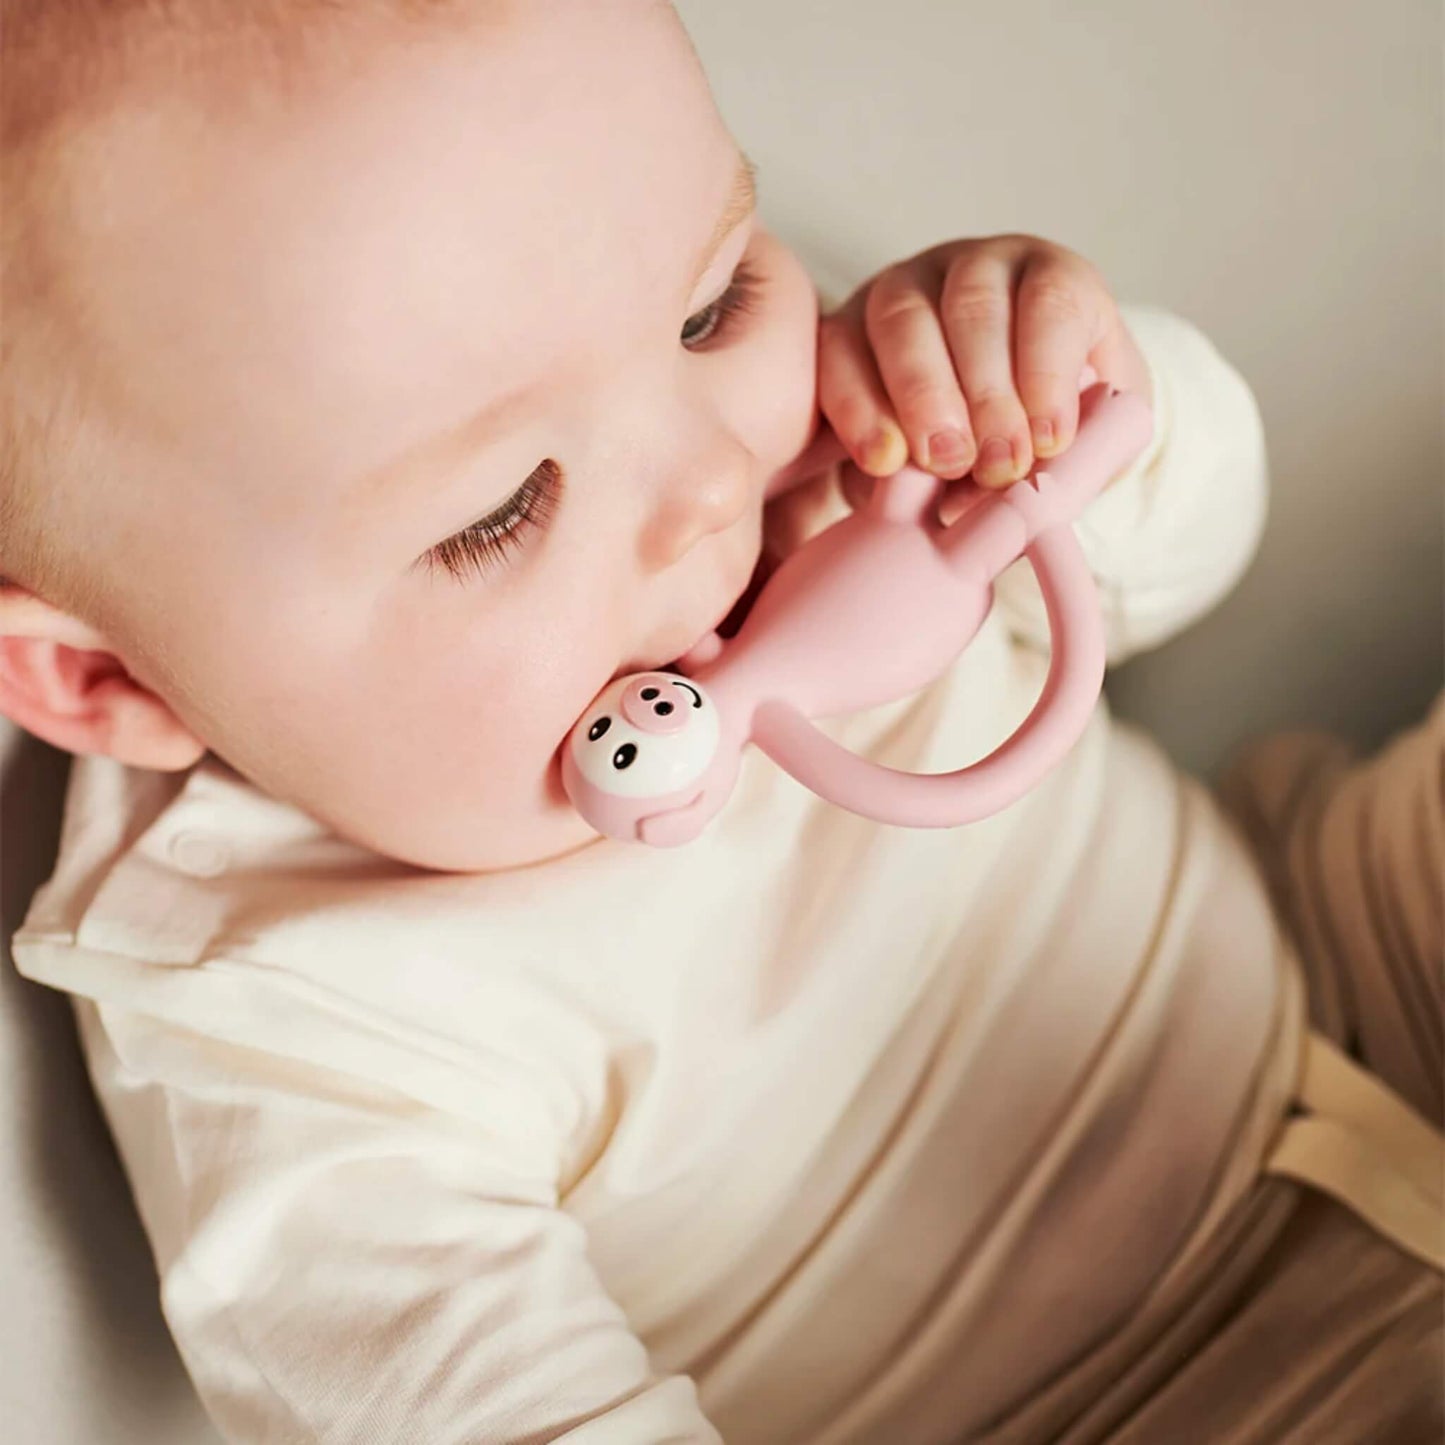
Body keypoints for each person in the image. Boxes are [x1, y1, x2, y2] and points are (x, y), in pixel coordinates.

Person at [2, 2, 1439, 1440]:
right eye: (502, 509)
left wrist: (1058, 411)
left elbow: (1178, 559)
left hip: (1349, 963)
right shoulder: (281, 1015)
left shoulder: (843, 450)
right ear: (113, 683)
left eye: (712, 305)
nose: (707, 481)